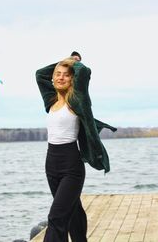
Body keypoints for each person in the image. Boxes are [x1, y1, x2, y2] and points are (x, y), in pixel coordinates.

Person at [35, 51, 117, 242]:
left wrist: (73, 63)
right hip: (51, 164)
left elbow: (84, 72)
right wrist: (64, 63)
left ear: (72, 79)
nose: (61, 77)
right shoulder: (51, 100)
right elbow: (40, 74)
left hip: (71, 166)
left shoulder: (77, 101)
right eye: (57, 74)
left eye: (66, 74)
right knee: (72, 212)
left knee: (56, 217)